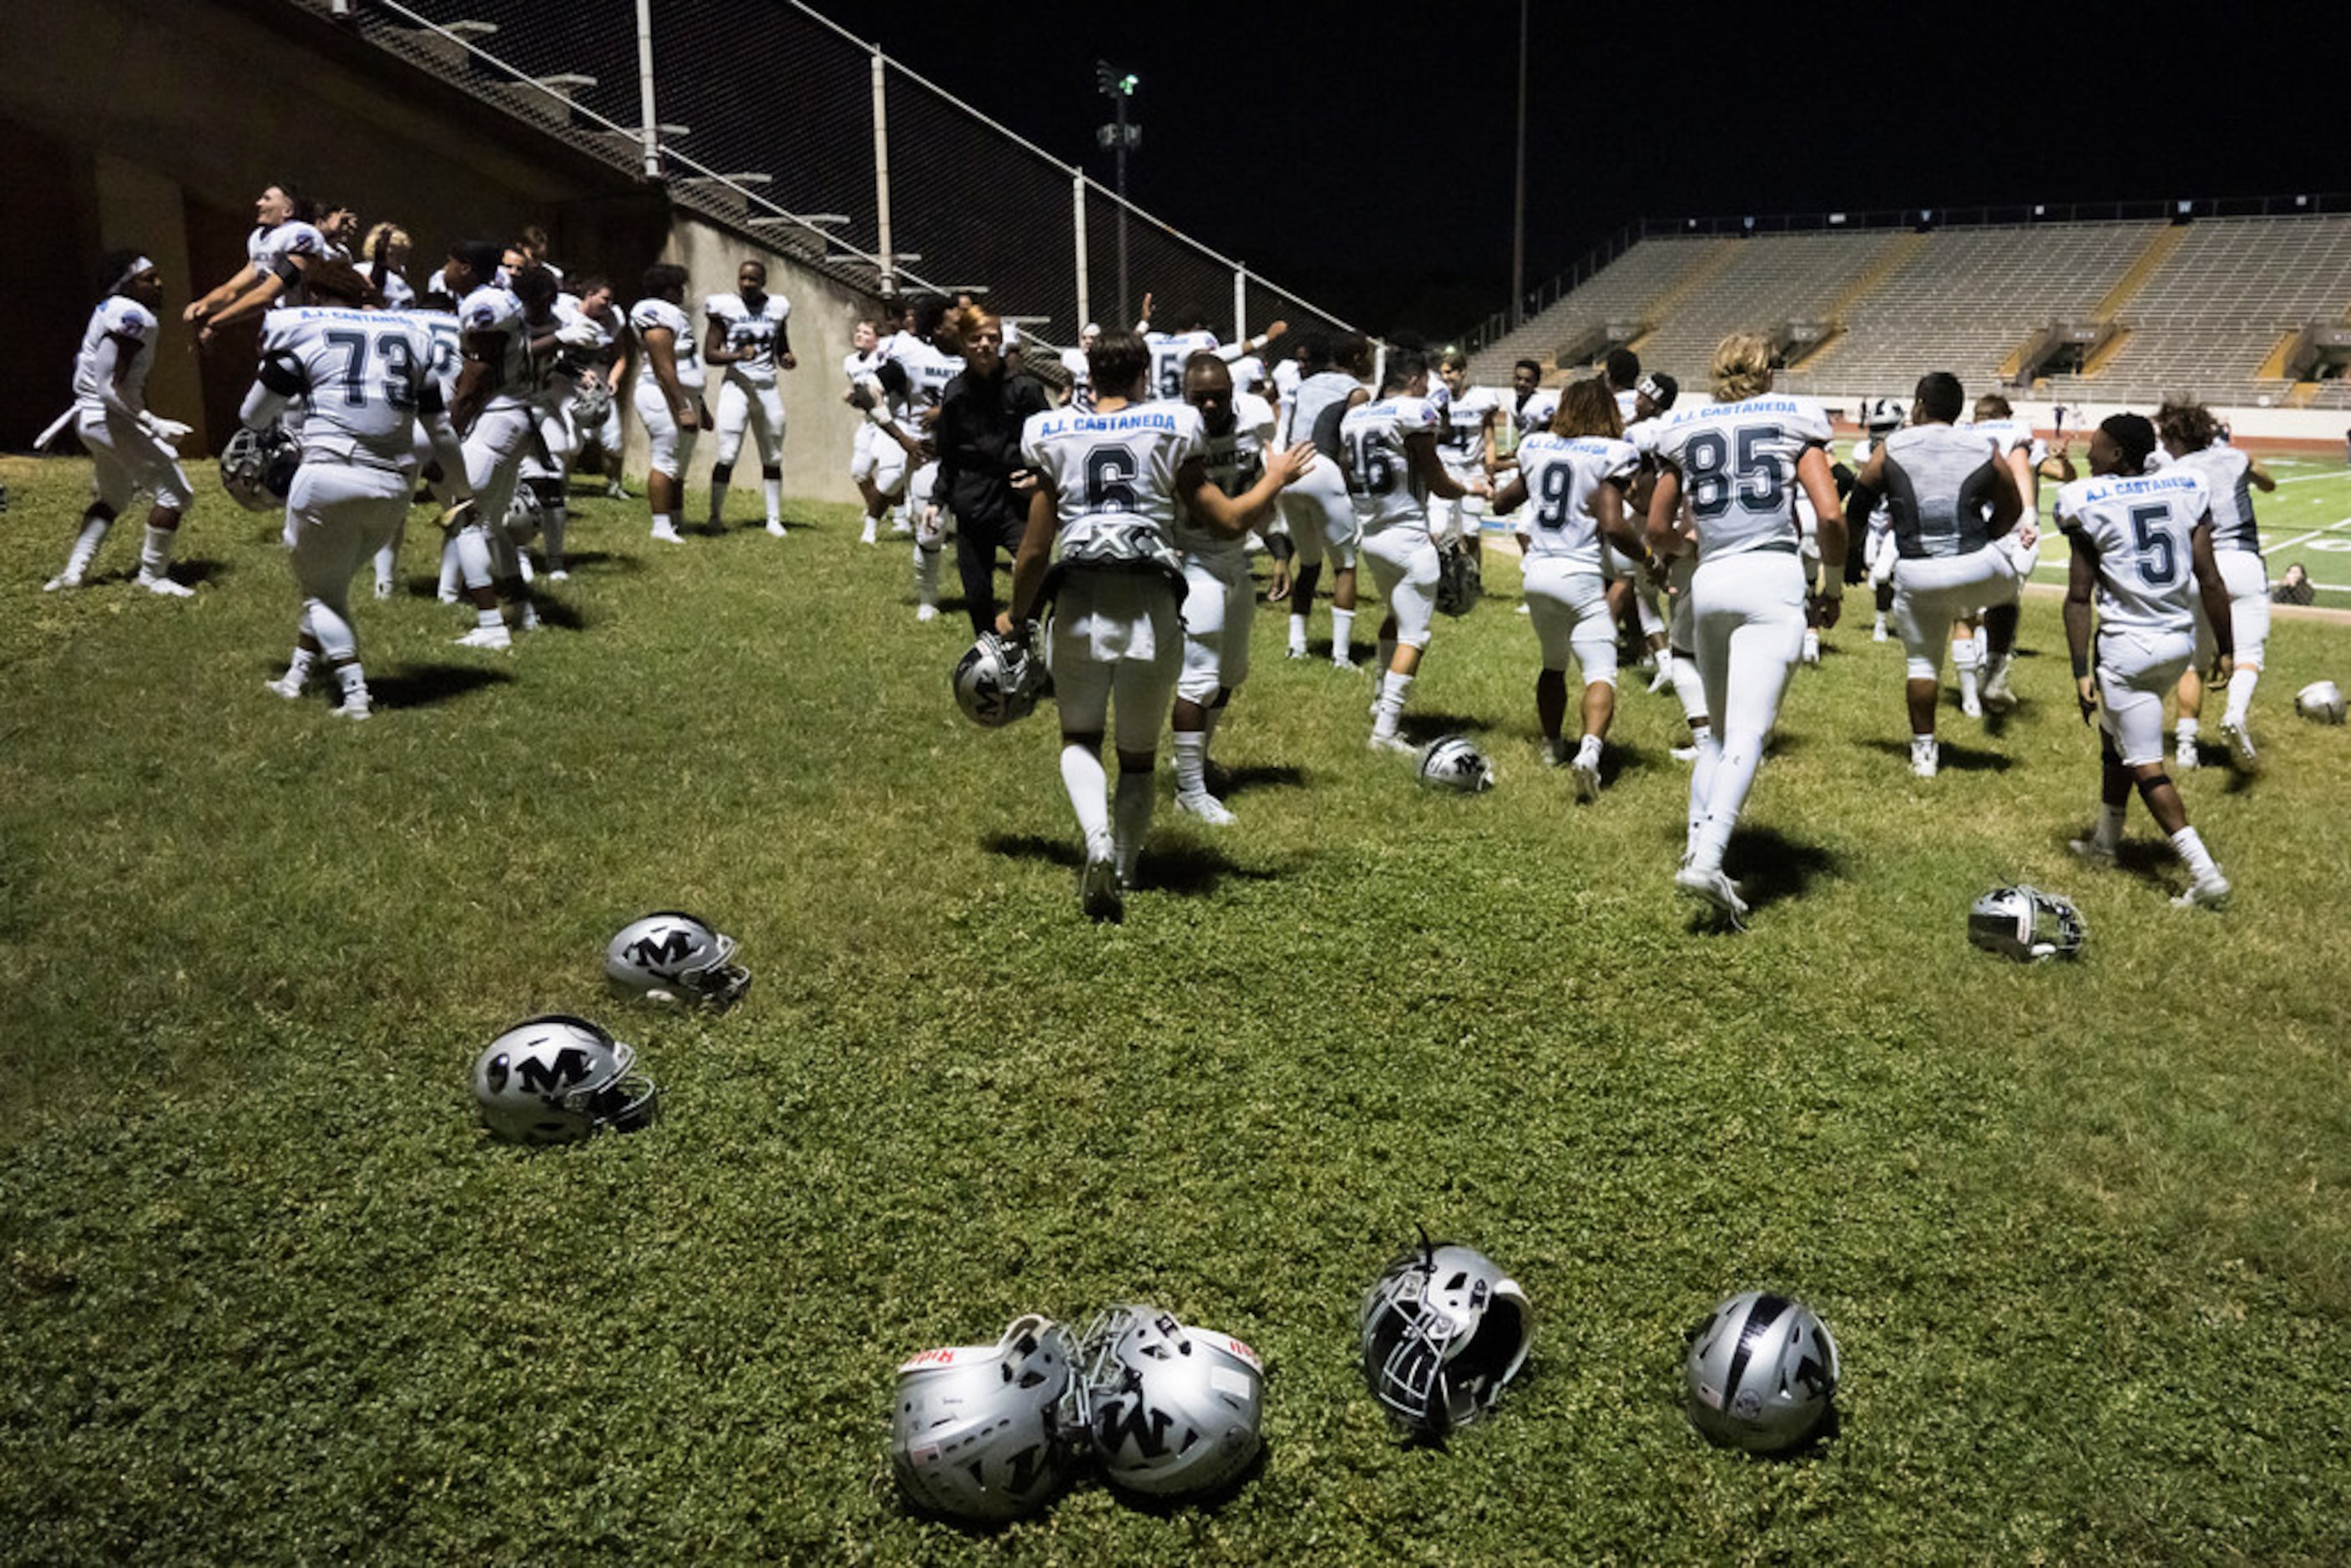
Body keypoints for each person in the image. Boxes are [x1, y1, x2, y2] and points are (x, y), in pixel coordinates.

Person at [1003, 329, 1312, 921]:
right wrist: (1275, 478)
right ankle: (1125, 866)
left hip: (1079, 596)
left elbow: (1035, 551)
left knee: (1079, 738)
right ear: (1145, 375)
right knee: (1138, 756)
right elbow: (1226, 521)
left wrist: (1016, 615)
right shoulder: (1174, 425)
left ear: (1089, 375)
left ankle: (1094, 840)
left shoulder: (1051, 430)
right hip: (1150, 596)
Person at [1646, 333, 1846, 928]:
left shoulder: (1685, 427)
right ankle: (1707, 862)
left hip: (1712, 580)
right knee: (1748, 735)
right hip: (1772, 576)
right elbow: (1830, 515)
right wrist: (1832, 587)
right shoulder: (1793, 417)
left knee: (1717, 734)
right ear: (1768, 371)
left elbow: (1657, 526)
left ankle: (1694, 846)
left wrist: (1689, 545)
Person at [249, 261, 474, 720]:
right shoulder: (410, 335)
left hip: (329, 477)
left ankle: (355, 696)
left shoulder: (306, 332)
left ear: (315, 298)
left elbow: (252, 414)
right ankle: (297, 676)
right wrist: (464, 489)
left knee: (321, 593)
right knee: (328, 583)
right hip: (393, 490)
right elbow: (443, 431)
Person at [2059, 412, 2233, 908]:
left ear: (2117, 455)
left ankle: (2203, 872)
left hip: (2128, 649)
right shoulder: (2180, 488)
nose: (2089, 454)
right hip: (2176, 643)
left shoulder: (2086, 503)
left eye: (2097, 446)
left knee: (2144, 763)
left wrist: (2078, 670)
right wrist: (2227, 646)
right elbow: (2211, 578)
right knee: (2115, 740)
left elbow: (2077, 597)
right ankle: (2105, 843)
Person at [1843, 372, 2025, 777]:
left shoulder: (1892, 446)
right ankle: (1994, 667)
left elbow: (1859, 505)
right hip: (1975, 561)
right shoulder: (1983, 445)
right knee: (2008, 593)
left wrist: (1852, 552)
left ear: (1920, 403)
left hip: (1917, 568)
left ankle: (1924, 753)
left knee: (1923, 665)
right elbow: (2012, 504)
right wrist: (1987, 538)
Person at [1490, 378, 1650, 799]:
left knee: (1553, 664)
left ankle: (1550, 747)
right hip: (1578, 572)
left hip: (1537, 572)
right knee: (1600, 669)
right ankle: (1590, 753)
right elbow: (1614, 524)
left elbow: (1502, 504)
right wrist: (1648, 558)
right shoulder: (1613, 452)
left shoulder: (1538, 446)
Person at [1341, 349, 1493, 753]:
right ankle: (1385, 732)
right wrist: (1472, 488)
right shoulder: (1413, 409)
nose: (1430, 389)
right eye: (1425, 382)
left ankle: (1379, 700)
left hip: (1371, 534)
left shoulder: (1356, 414)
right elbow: (1439, 481)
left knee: (1394, 615)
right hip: (1406, 534)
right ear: (1412, 381)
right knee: (1415, 634)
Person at [1170, 354, 1288, 823]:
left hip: (1237, 560)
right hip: (1192, 562)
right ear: (1184, 397)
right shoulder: (1174, 433)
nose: (1211, 404)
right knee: (1197, 678)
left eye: (1219, 394)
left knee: (1229, 674)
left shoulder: (1253, 424)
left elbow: (1261, 492)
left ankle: (1194, 761)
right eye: (1200, 398)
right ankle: (1189, 790)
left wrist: (1279, 548)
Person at [45, 251, 198, 596]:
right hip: (107, 418)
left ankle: (73, 573)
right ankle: (152, 575)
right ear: (126, 285)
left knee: (113, 497)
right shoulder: (131, 316)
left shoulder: (110, 310)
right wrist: (151, 422)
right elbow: (108, 386)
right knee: (175, 495)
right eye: (149, 278)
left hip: (91, 419)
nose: (159, 284)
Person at [2156, 397, 2275, 772]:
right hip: (2241, 561)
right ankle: (2235, 714)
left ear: (2173, 438)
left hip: (2198, 568)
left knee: (2194, 662)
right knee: (2248, 654)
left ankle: (2187, 746)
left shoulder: (2171, 471)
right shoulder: (2236, 457)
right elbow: (2268, 483)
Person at [932, 306, 1053, 635]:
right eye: (976, 338)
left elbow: (1052, 440)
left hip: (1016, 499)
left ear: (1001, 342)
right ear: (962, 343)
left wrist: (1039, 478)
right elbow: (949, 453)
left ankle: (1021, 632)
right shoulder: (955, 393)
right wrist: (936, 499)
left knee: (1040, 574)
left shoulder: (1025, 389)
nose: (984, 345)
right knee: (978, 593)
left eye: (992, 338)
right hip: (972, 500)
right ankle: (989, 659)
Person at [444, 242, 540, 645]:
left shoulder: (485, 303)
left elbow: (478, 372)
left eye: (449, 262)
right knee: (490, 522)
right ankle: (524, 609)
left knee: (463, 517)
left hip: (498, 418)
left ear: (465, 268)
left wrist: (448, 431)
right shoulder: (498, 298)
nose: (445, 270)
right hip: (514, 416)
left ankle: (490, 625)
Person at [1277, 333, 1370, 664]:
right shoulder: (1356, 392)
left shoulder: (1307, 383)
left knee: (1309, 563)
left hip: (1290, 470)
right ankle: (1341, 656)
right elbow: (1348, 448)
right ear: (1357, 358)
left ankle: (1296, 645)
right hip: (1324, 468)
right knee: (1344, 566)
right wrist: (1350, 491)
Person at [703, 259, 795, 537]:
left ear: (763, 281)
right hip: (737, 385)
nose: (746, 284)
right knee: (728, 453)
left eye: (753, 279)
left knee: (773, 455)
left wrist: (786, 358)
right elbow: (710, 353)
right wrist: (737, 355)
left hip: (767, 387)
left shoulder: (778, 307)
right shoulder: (725, 308)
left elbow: (782, 346)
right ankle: (715, 516)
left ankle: (773, 518)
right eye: (742, 278)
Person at [184, 183, 326, 345]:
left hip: (306, 328)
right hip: (279, 328)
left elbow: (267, 293)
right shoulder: (260, 238)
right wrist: (204, 305)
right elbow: (232, 290)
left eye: (267, 199)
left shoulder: (301, 235)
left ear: (288, 211)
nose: (259, 203)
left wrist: (215, 322)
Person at [628, 263, 707, 545]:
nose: (683, 292)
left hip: (684, 393)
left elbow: (686, 364)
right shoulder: (655, 312)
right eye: (679, 287)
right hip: (662, 393)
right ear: (670, 289)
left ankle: (676, 519)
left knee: (680, 461)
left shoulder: (674, 315)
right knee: (666, 458)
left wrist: (700, 405)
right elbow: (664, 368)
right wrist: (682, 407)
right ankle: (660, 525)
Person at [1430, 349, 1499, 559]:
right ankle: (1443, 578)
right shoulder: (1435, 399)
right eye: (1442, 373)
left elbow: (1489, 438)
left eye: (1450, 372)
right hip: (1445, 469)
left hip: (1471, 469)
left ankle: (1473, 577)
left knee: (1470, 531)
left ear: (1462, 372)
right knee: (1437, 528)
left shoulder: (1481, 398)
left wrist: (1490, 470)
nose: (1445, 378)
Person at [842, 319, 897, 543]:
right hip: (868, 420)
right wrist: (853, 397)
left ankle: (901, 518)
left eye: (866, 333)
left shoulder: (884, 357)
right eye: (858, 331)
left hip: (888, 419)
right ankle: (877, 509)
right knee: (859, 470)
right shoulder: (850, 362)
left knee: (890, 470)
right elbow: (860, 397)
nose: (859, 335)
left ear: (877, 340)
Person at [362, 223, 415, 309]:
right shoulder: (365, 270)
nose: (398, 259)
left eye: (402, 254)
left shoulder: (401, 276)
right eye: (391, 254)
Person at [1058, 322, 1099, 412]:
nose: (1088, 341)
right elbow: (1069, 382)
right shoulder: (1072, 357)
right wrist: (1066, 394)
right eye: (1084, 338)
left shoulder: (1106, 360)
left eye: (1092, 338)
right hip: (1077, 406)